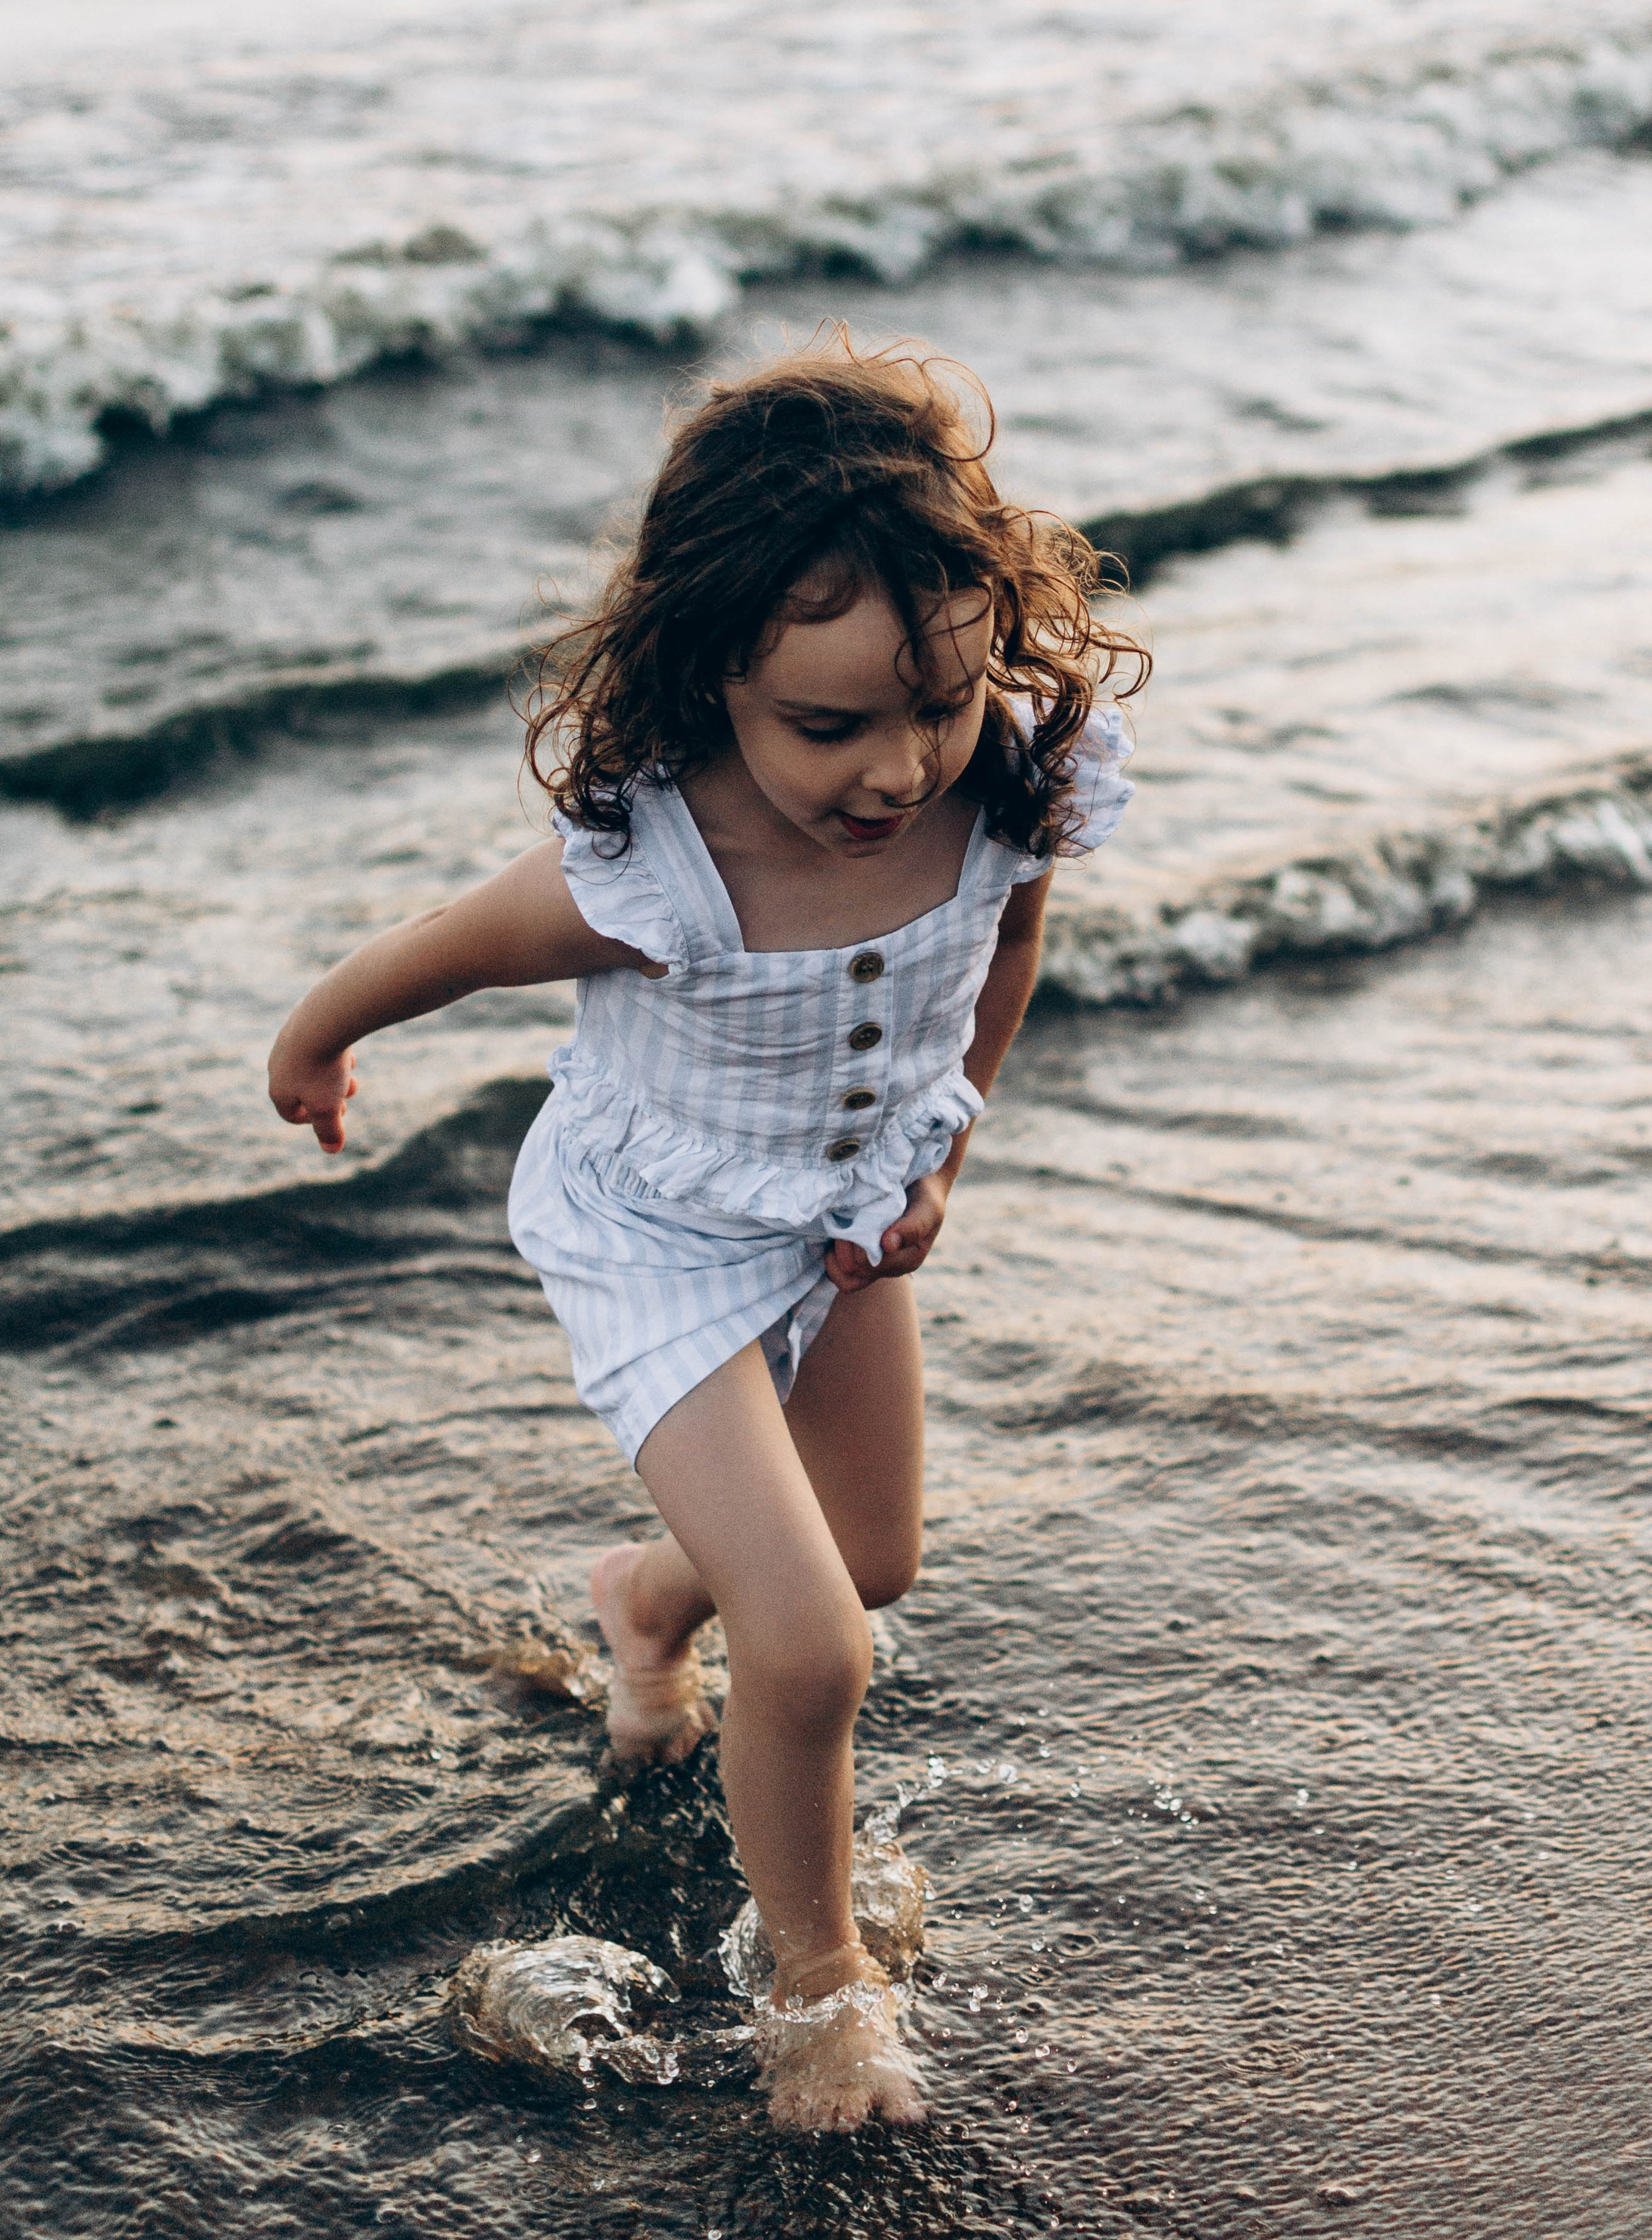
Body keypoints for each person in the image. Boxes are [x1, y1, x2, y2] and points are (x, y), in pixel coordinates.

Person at [266, 337, 1147, 2131]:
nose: (895, 768)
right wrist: (315, 1041)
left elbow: (1008, 951)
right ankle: (820, 2005)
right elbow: (443, 943)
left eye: (940, 704)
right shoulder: (656, 867)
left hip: (844, 1219)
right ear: (710, 673)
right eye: (827, 725)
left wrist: (948, 1140)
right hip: (653, 1233)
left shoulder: (1017, 781)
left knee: (867, 1559)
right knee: (819, 1648)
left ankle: (644, 1600)